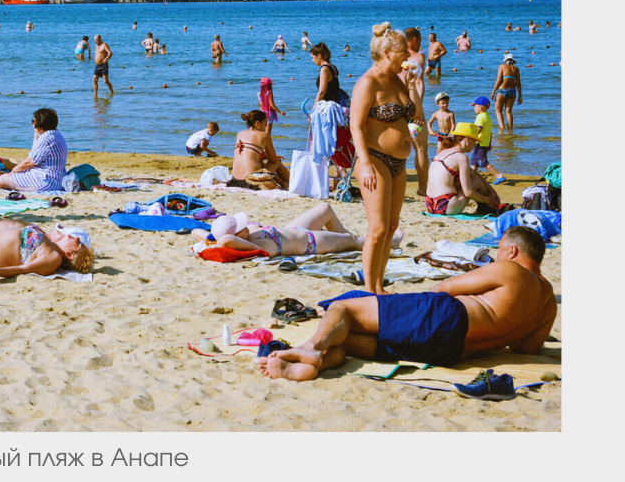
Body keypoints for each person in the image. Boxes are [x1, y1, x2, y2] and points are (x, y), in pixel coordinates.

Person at [257, 227, 556, 382]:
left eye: (500, 249)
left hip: (447, 317)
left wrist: (407, 304)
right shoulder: (547, 304)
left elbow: (445, 289)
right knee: (347, 340)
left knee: (345, 309)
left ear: (512, 250)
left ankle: (310, 349)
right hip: (452, 352)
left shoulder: (513, 270)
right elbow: (525, 350)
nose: (498, 254)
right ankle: (314, 364)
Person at [350, 23, 413, 295]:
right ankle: (369, 289)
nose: (408, 58)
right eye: (404, 53)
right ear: (387, 52)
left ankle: (379, 284)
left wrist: (414, 86)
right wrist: (364, 163)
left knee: (391, 227)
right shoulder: (367, 82)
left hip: (398, 163)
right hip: (373, 159)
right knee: (377, 229)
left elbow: (414, 117)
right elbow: (356, 126)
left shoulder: (398, 79)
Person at [191, 202, 401, 258]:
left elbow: (195, 233)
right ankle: (387, 242)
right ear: (235, 235)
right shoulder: (256, 246)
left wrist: (212, 236)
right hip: (310, 243)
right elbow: (226, 241)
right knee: (350, 239)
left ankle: (347, 239)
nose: (246, 225)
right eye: (241, 226)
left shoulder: (245, 234)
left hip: (294, 229)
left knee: (325, 209)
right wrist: (220, 239)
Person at [0, 108, 67, 192]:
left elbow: (29, 162)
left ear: (38, 123)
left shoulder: (46, 140)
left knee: (3, 179)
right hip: (53, 179)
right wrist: (36, 134)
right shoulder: (56, 136)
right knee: (5, 178)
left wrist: (15, 170)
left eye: (33, 121)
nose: (32, 123)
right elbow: (34, 153)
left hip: (45, 182)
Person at [425, 124, 501, 215]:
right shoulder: (461, 157)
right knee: (475, 181)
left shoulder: (443, 153)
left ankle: (485, 206)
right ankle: (488, 207)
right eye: (475, 141)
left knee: (473, 177)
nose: (475, 145)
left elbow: (474, 173)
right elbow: (468, 192)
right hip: (445, 206)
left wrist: (492, 191)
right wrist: (488, 200)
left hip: (430, 204)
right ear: (467, 139)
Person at [400, 27, 429, 197]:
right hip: (413, 109)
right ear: (415, 39)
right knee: (421, 149)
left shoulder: (396, 57)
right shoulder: (418, 57)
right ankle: (422, 187)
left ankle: (397, 185)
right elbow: (419, 84)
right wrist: (419, 108)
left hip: (398, 108)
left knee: (398, 149)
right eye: (420, 40)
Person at [231, 110, 290, 188]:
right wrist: (273, 157)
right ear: (257, 123)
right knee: (277, 162)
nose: (266, 126)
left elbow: (250, 153)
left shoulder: (240, 133)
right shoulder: (264, 135)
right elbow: (273, 160)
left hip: (235, 180)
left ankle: (282, 183)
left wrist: (265, 156)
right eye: (265, 123)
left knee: (259, 161)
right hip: (251, 180)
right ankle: (291, 183)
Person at [470, 96, 506, 183]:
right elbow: (489, 132)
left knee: (483, 162)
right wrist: (490, 143)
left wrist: (470, 137)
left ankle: (498, 175)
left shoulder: (480, 117)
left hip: (480, 143)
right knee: (474, 162)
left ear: (481, 107)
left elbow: (478, 129)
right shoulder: (488, 118)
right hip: (485, 143)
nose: (474, 108)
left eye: (475, 106)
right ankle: (471, 178)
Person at [491, 53, 523, 131]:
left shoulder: (501, 67)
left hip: (502, 91)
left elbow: (499, 80)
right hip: (512, 91)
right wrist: (520, 96)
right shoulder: (516, 69)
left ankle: (502, 128)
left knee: (498, 110)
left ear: (505, 60)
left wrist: (493, 92)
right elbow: (518, 83)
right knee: (508, 111)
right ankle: (510, 129)